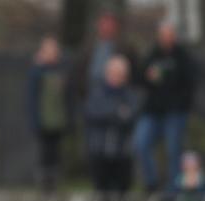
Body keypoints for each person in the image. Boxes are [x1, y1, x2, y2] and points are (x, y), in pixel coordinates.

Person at [134, 21, 198, 192]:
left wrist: (181, 103)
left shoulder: (183, 57)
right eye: (163, 35)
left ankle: (173, 191)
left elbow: (191, 83)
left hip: (175, 112)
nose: (166, 39)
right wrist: (147, 77)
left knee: (173, 150)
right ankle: (152, 183)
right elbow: (139, 78)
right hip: (153, 111)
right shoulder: (152, 55)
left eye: (169, 35)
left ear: (174, 37)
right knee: (140, 143)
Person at [85, 56, 141, 201]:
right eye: (114, 73)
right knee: (101, 195)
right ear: (107, 74)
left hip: (122, 153)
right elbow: (93, 113)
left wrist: (110, 113)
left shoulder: (130, 95)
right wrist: (116, 112)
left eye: (121, 74)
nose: (117, 77)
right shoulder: (97, 93)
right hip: (99, 152)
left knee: (123, 196)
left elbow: (131, 117)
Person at [27, 35, 72, 191]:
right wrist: (35, 120)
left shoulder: (61, 71)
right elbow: (32, 98)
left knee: (56, 153)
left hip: (58, 121)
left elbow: (67, 97)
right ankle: (44, 184)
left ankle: (54, 183)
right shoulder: (37, 72)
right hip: (44, 121)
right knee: (44, 152)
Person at [71, 11, 138, 104]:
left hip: (115, 97)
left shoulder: (126, 48)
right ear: (98, 25)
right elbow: (77, 73)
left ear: (116, 27)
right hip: (88, 95)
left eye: (110, 24)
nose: (107, 28)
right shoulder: (87, 47)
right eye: (104, 24)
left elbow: (134, 74)